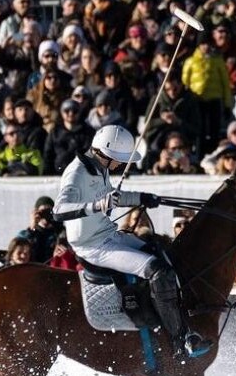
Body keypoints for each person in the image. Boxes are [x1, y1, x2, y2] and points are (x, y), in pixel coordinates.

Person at [52, 124, 211, 358]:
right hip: (92, 246)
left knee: (160, 251)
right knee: (158, 271)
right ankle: (180, 342)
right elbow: (59, 210)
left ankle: (174, 318)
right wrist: (96, 206)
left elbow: (112, 198)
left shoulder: (100, 167)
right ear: (105, 154)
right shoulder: (76, 173)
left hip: (108, 234)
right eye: (119, 160)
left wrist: (143, 197)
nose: (121, 165)